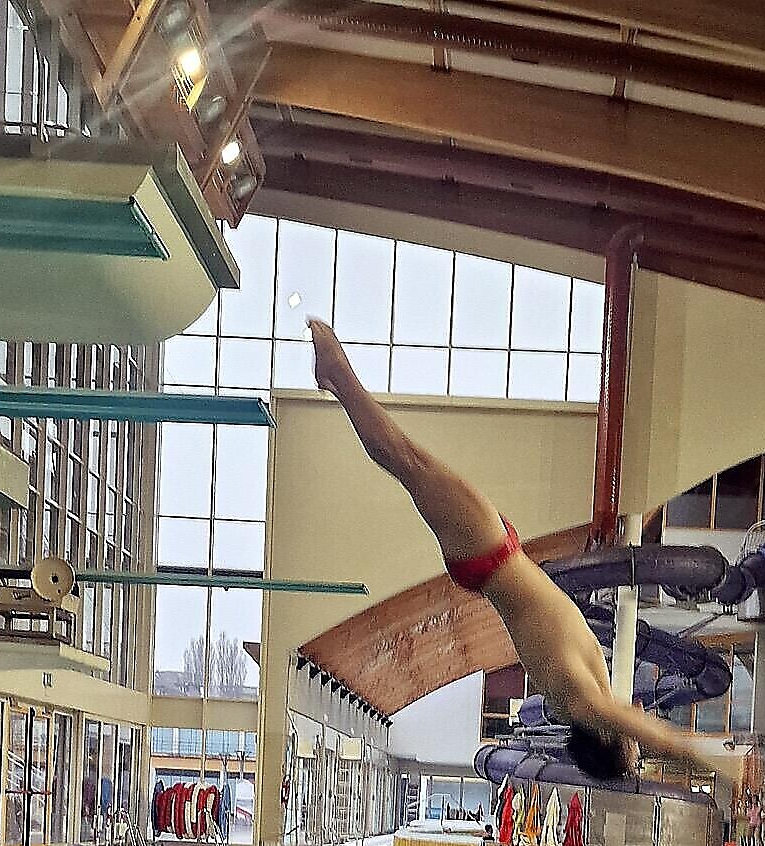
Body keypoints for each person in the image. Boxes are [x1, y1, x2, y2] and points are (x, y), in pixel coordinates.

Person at [308, 318, 739, 782]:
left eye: (632, 748)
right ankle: (337, 377)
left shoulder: (580, 701)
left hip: (489, 555)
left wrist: (706, 761)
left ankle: (337, 377)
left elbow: (645, 730)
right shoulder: (589, 694)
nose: (636, 740)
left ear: (610, 737)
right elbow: (634, 721)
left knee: (405, 459)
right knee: (407, 462)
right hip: (495, 556)